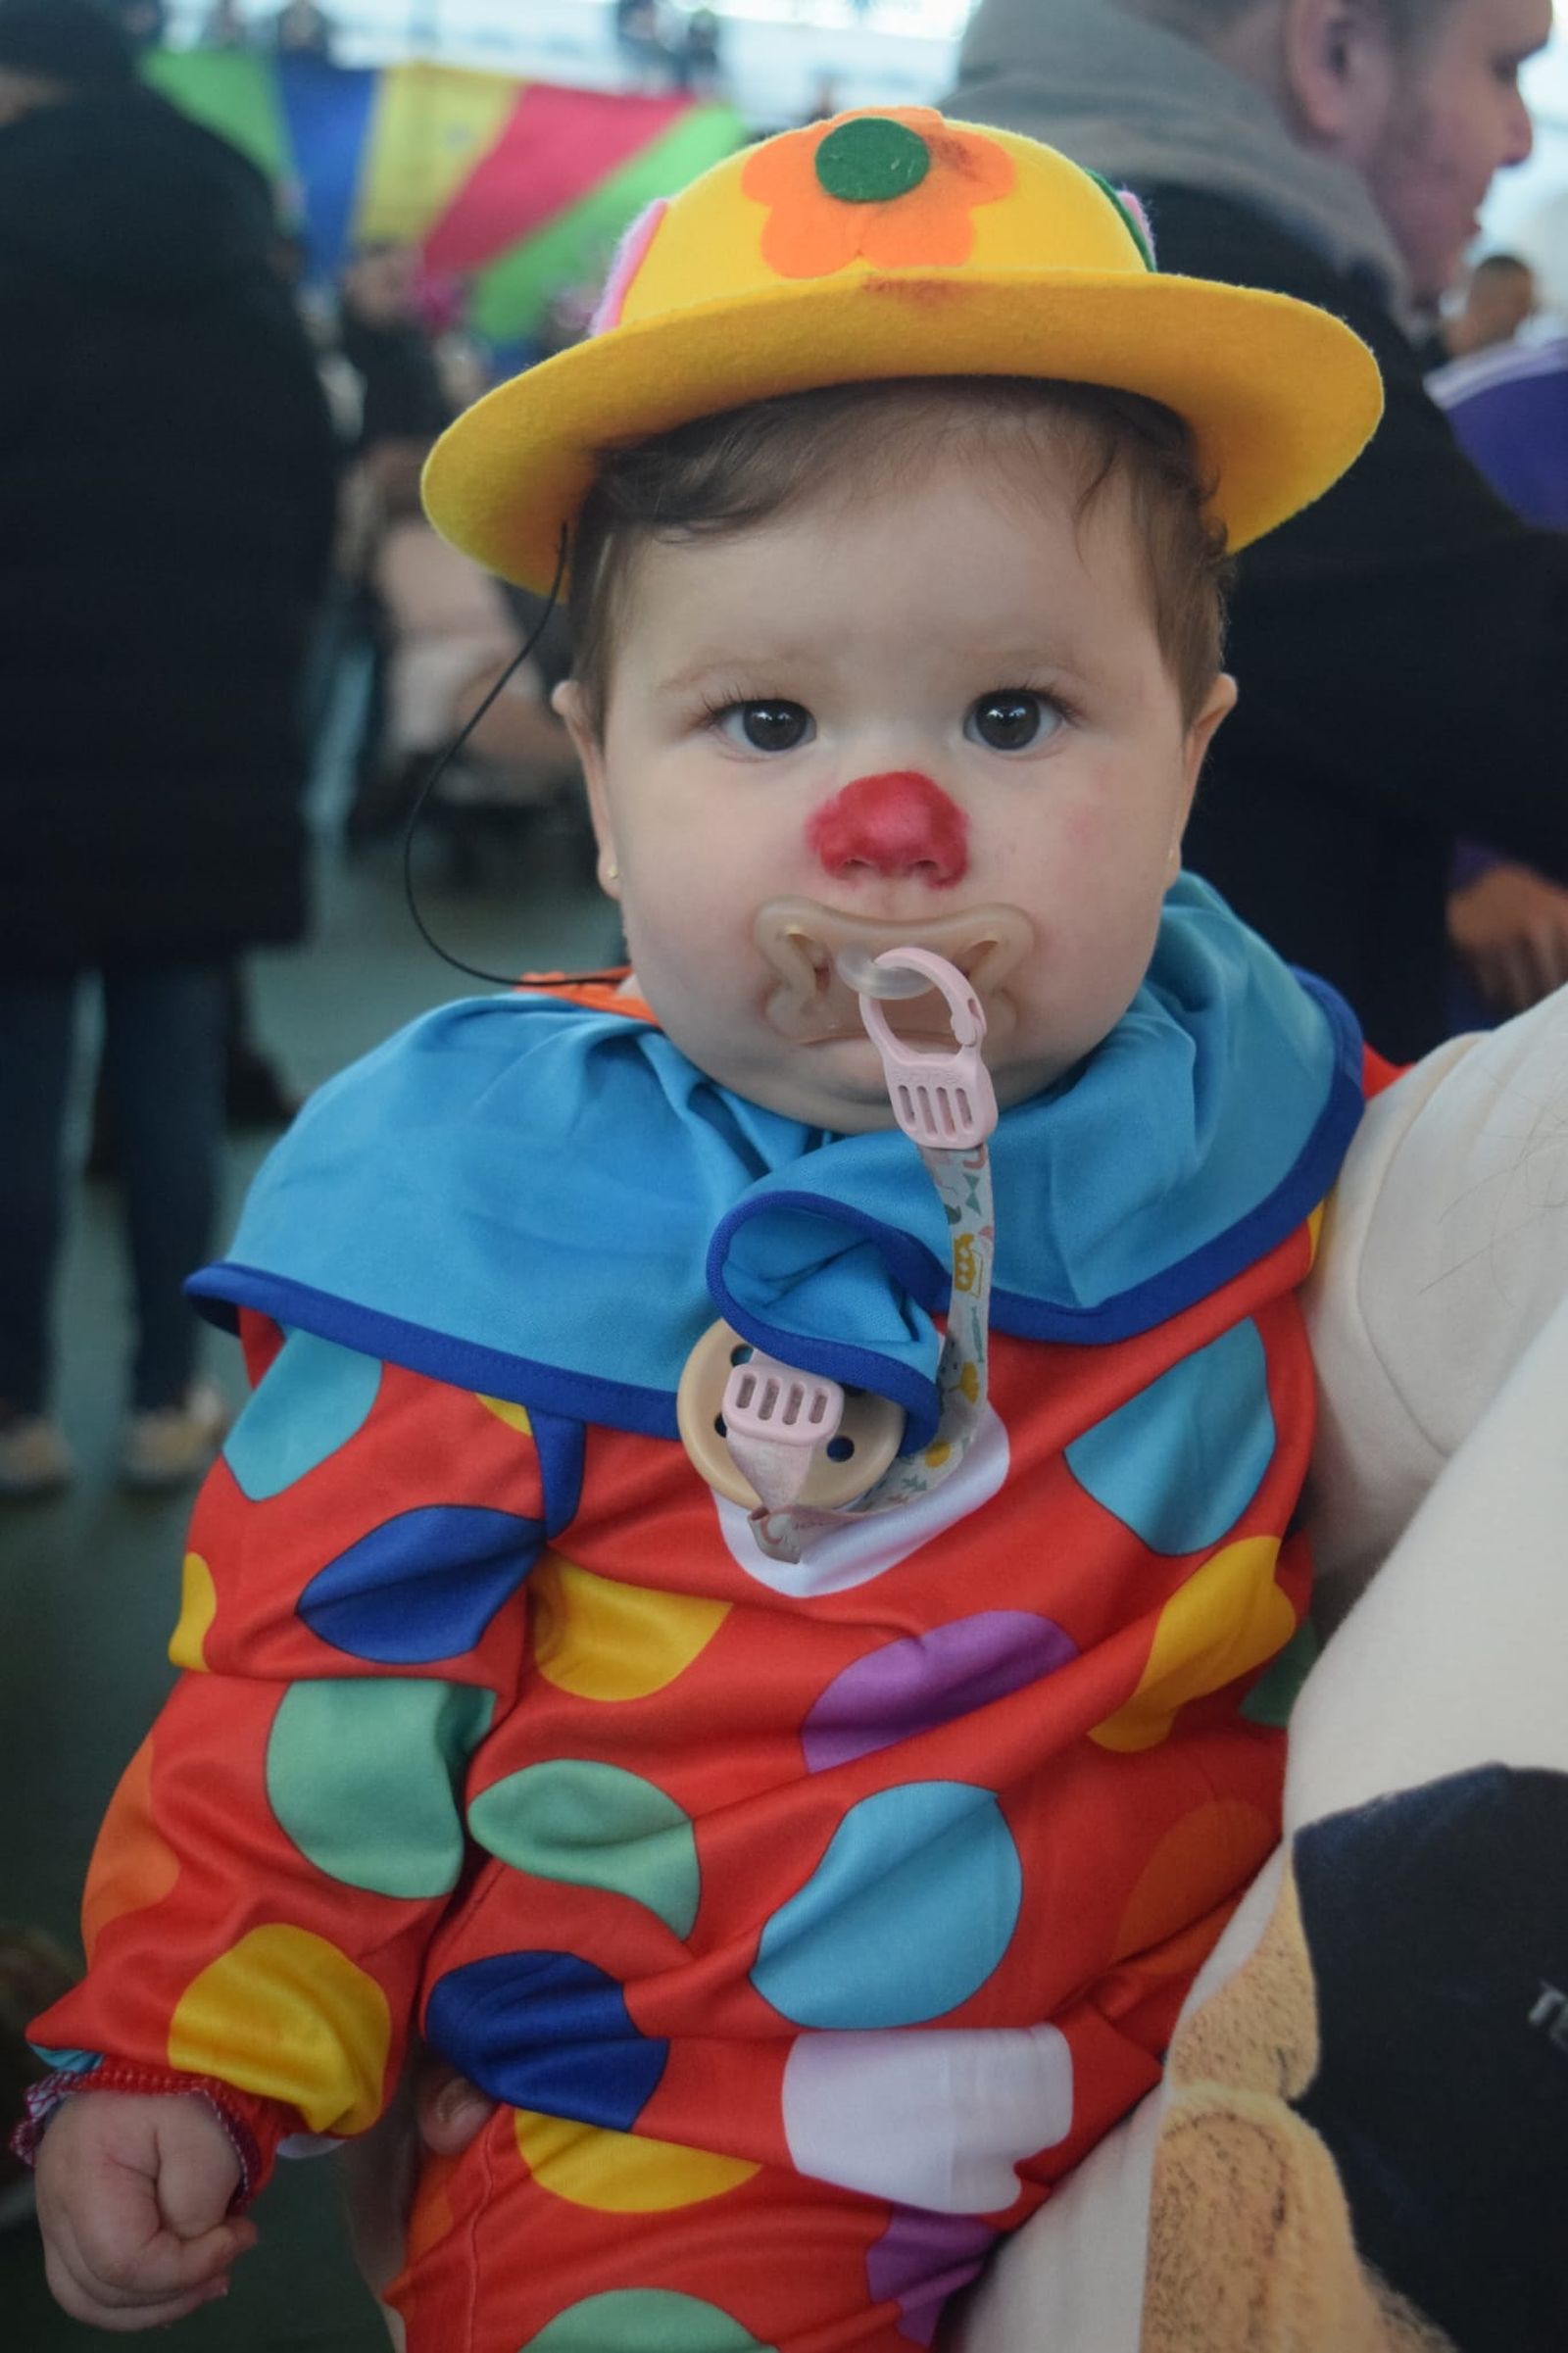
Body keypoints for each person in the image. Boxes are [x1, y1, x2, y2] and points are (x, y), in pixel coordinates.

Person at [13, 109, 1562, 2351]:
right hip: (666, 2136)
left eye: (1016, 713)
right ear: (605, 784)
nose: (892, 829)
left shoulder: (1247, 1084)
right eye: (758, 719)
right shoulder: (476, 1207)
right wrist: (180, 2053)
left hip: (1184, 2056)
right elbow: (309, 1691)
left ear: (1192, 754)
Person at [949, 0, 1568, 1063]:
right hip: (1160, 1190)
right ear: (1331, 51)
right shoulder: (1209, 327)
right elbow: (1522, 693)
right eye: (1503, 70)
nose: (1518, 141)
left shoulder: (982, 257)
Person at [0, 0, 338, 1495]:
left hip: (19, 730)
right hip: (203, 732)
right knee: (172, 1072)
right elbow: (307, 494)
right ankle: (162, 1400)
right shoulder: (229, 235)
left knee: (11, 1080)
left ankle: (10, 1417)